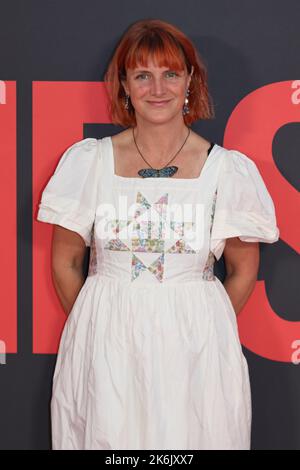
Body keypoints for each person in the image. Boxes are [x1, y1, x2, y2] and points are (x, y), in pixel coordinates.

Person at [36, 18, 280, 450]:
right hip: (104, 350)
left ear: (190, 80)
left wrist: (199, 324)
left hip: (196, 352)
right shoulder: (88, 162)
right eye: (143, 75)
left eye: (170, 74)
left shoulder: (227, 169)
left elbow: (243, 271)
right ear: (124, 86)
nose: (158, 88)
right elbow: (66, 261)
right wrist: (101, 324)